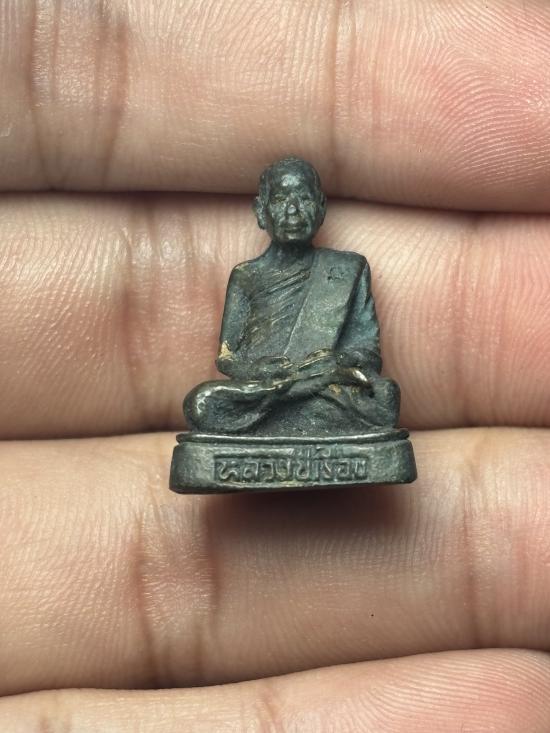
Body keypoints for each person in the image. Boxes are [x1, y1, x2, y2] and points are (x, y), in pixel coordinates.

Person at [184, 157, 400, 436]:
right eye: (280, 199)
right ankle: (296, 398)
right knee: (200, 403)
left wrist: (338, 360)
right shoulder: (246, 275)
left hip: (325, 385)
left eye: (304, 199)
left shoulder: (348, 269)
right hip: (266, 390)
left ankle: (296, 401)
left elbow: (369, 352)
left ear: (321, 208)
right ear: (260, 211)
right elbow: (227, 358)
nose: (293, 210)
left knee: (385, 396)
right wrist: (259, 371)